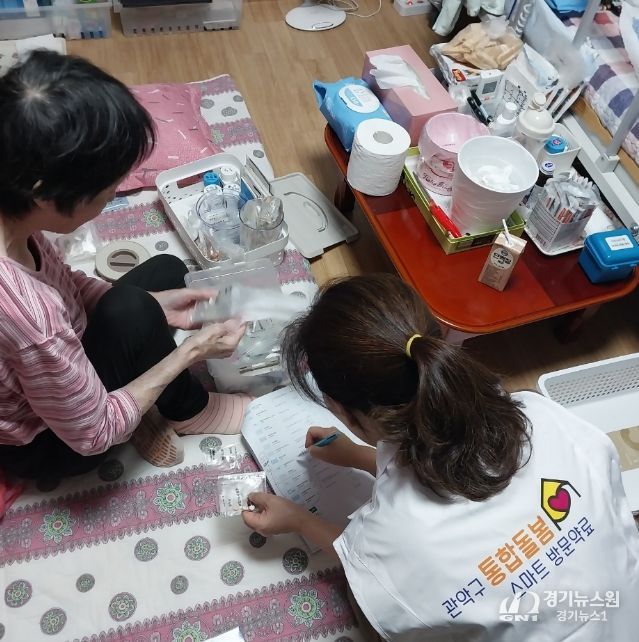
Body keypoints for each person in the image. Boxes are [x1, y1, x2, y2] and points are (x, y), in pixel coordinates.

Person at [242, 274, 639, 641]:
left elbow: (366, 567)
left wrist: (297, 519)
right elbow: (450, 460)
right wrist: (360, 456)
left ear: (343, 412)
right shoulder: (540, 415)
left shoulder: (391, 538)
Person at [0, 51, 250, 479]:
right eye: (107, 189)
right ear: (43, 194)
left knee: (165, 272)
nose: (114, 194)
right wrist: (191, 351)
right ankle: (188, 411)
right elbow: (92, 434)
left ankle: (138, 395)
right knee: (133, 310)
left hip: (56, 366)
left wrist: (156, 303)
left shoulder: (13, 202)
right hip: (51, 440)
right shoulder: (29, 316)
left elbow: (62, 282)